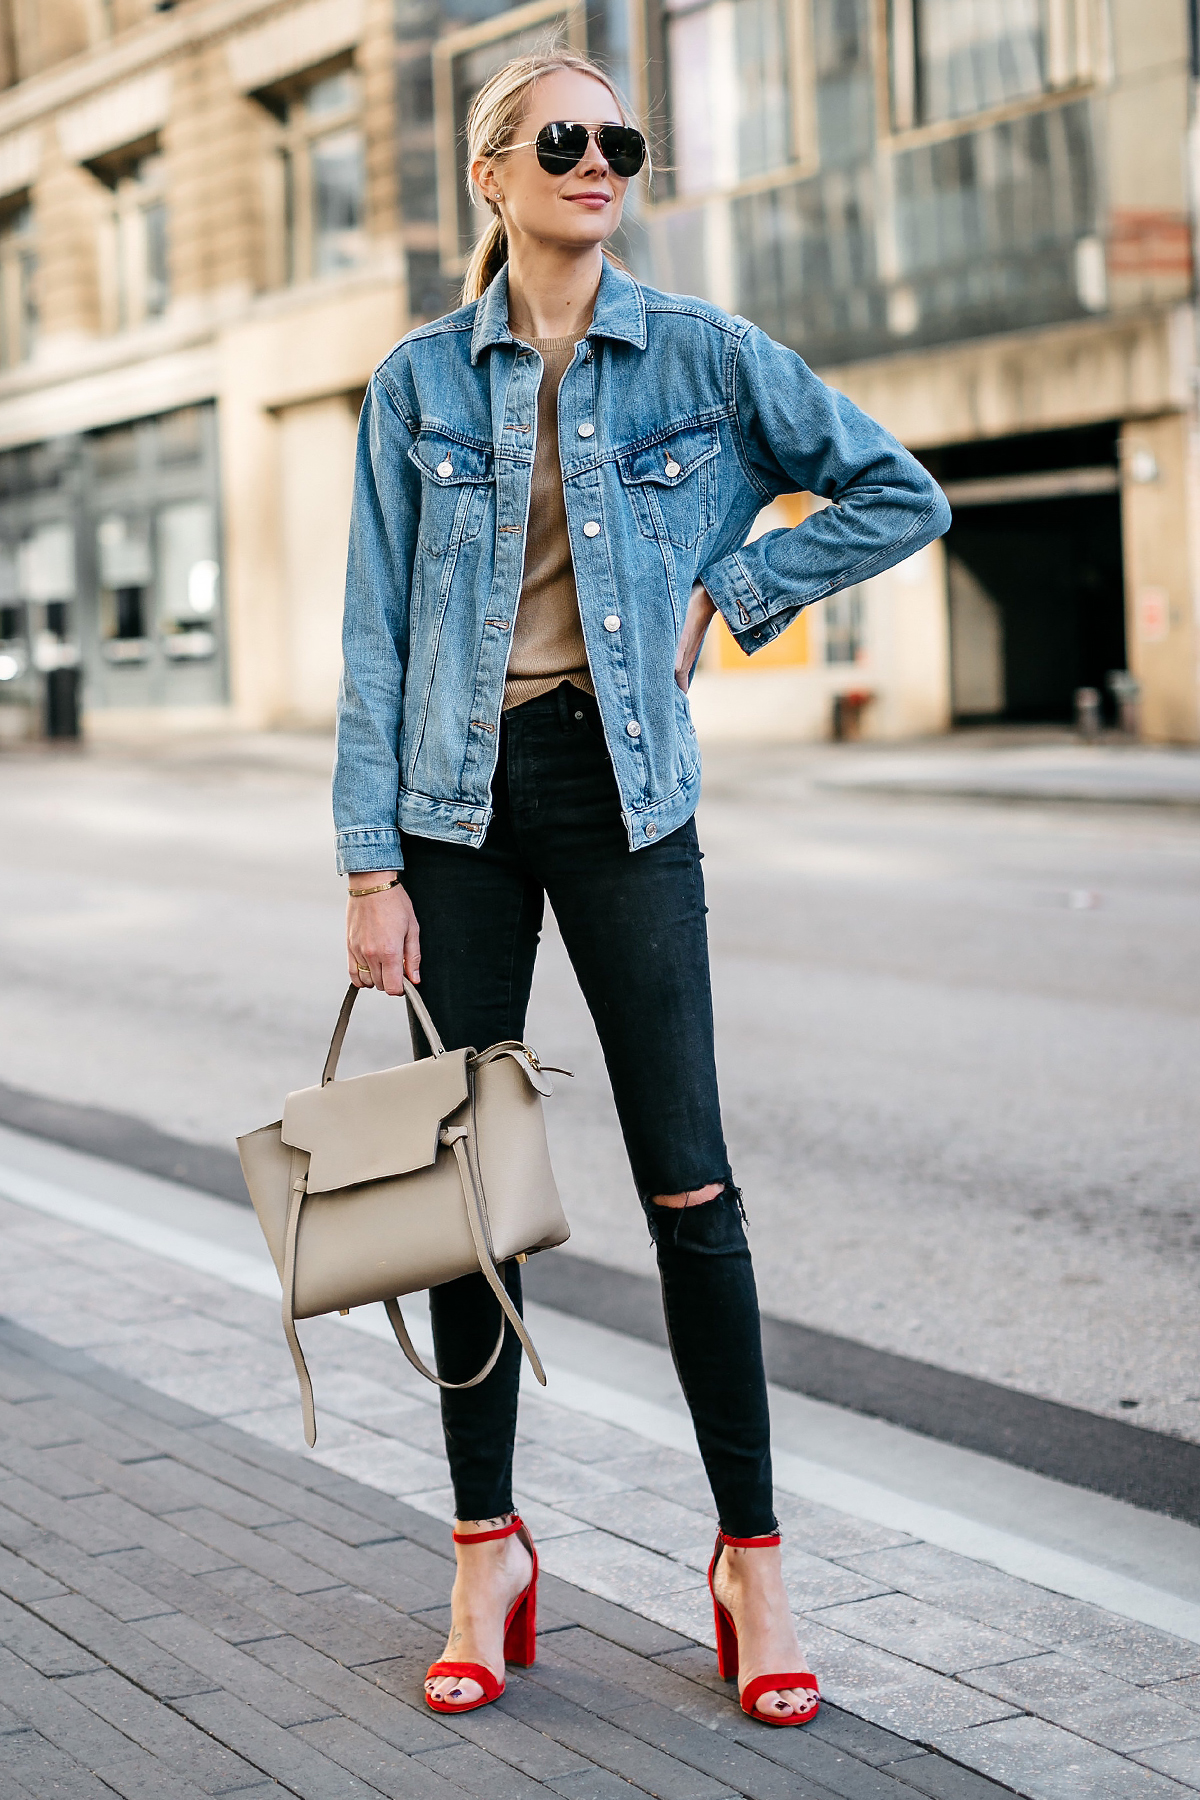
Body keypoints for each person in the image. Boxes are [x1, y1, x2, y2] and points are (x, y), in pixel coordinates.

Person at [333, 48, 950, 1725]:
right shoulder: (415, 385)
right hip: (457, 811)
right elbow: (378, 639)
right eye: (564, 138)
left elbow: (903, 490)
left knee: (692, 1189)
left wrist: (734, 587)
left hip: (627, 798)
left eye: (620, 138)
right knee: (469, 1189)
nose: (597, 159)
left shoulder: (701, 355)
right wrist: (368, 864)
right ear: (495, 175)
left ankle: (751, 1560)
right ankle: (487, 1549)